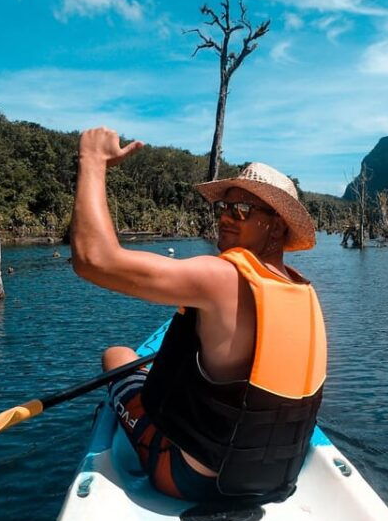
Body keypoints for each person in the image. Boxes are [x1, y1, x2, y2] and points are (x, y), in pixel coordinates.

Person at [70, 127, 327, 502]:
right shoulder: (301, 289)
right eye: (223, 207)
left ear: (275, 224)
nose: (226, 216)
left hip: (193, 478)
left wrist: (92, 161)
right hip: (275, 478)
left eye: (242, 209)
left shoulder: (221, 276)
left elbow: (94, 260)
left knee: (118, 356)